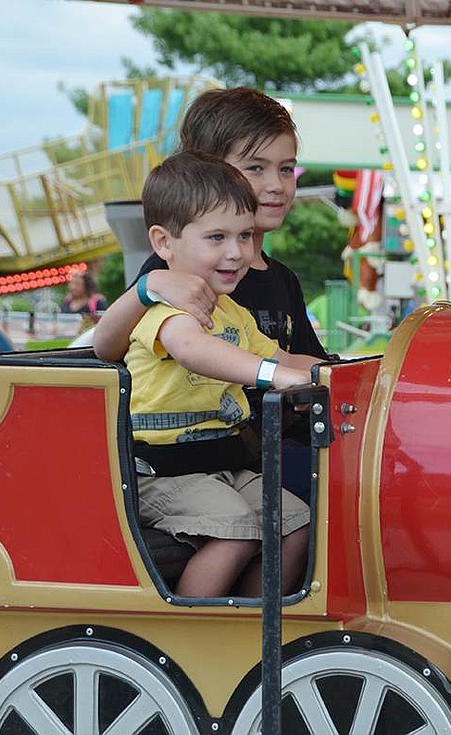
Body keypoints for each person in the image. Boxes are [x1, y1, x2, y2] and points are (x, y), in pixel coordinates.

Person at [94, 87, 331, 502]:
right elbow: (109, 346)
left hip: (266, 447)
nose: (276, 186)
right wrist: (146, 290)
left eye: (287, 170)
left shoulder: (283, 280)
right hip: (204, 456)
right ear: (208, 171)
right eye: (255, 169)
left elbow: (307, 361)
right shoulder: (174, 275)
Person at [128, 151, 319, 598]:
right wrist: (274, 375)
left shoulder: (231, 312)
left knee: (295, 526)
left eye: (245, 236)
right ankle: (189, 637)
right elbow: (194, 350)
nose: (237, 253)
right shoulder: (166, 309)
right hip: (161, 471)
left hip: (222, 463)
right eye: (217, 237)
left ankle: (253, 631)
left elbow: (285, 358)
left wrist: (363, 375)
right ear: (165, 243)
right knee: (234, 532)